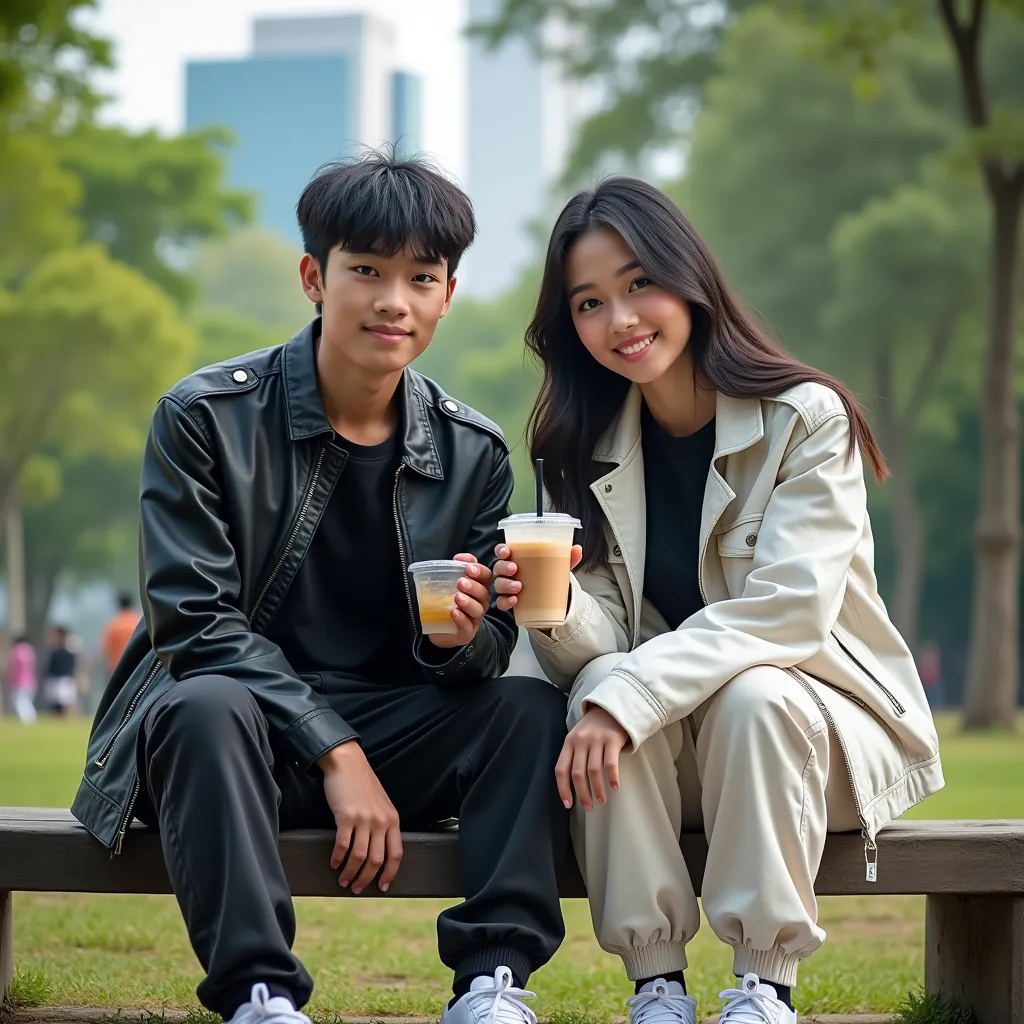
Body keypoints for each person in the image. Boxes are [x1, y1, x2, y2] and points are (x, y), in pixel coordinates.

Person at [71, 150, 569, 1024]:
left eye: (422, 277)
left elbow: (488, 655)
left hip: (392, 731)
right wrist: (337, 753)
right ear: (314, 276)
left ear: (448, 295)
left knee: (528, 710)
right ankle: (261, 996)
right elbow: (194, 625)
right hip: (239, 737)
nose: (394, 301)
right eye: (366, 271)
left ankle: (493, 985)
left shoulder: (473, 453)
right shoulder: (205, 417)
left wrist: (460, 640)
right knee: (201, 705)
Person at [492, 178, 944, 1024]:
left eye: (637, 285)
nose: (620, 319)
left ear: (688, 278)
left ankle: (763, 986)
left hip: (816, 739)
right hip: (675, 758)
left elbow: (788, 613)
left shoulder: (807, 420)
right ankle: (656, 985)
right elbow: (598, 650)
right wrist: (548, 612)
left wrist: (627, 693)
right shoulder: (578, 447)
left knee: (751, 691)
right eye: (589, 303)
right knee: (598, 689)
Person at [43, 625, 78, 716]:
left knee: (66, 705)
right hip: (55, 679)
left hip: (65, 679)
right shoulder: (54, 649)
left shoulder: (70, 648)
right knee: (54, 706)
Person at [102, 593, 141, 674]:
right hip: (138, 666)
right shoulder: (139, 621)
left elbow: (106, 649)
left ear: (119, 605)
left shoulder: (113, 624)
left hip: (117, 668)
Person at [8, 634, 38, 724]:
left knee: (19, 702)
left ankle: (26, 720)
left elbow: (15, 667)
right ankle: (31, 718)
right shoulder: (30, 651)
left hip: (20, 681)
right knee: (27, 701)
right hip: (31, 681)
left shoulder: (17, 650)